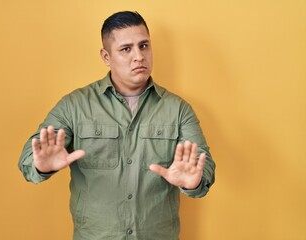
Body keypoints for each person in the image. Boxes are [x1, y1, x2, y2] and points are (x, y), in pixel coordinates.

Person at [18, 11, 215, 240]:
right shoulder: (74, 106)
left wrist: (195, 181)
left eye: (144, 46)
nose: (139, 56)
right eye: (126, 49)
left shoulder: (179, 110)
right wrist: (42, 166)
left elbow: (205, 167)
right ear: (106, 57)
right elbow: (27, 162)